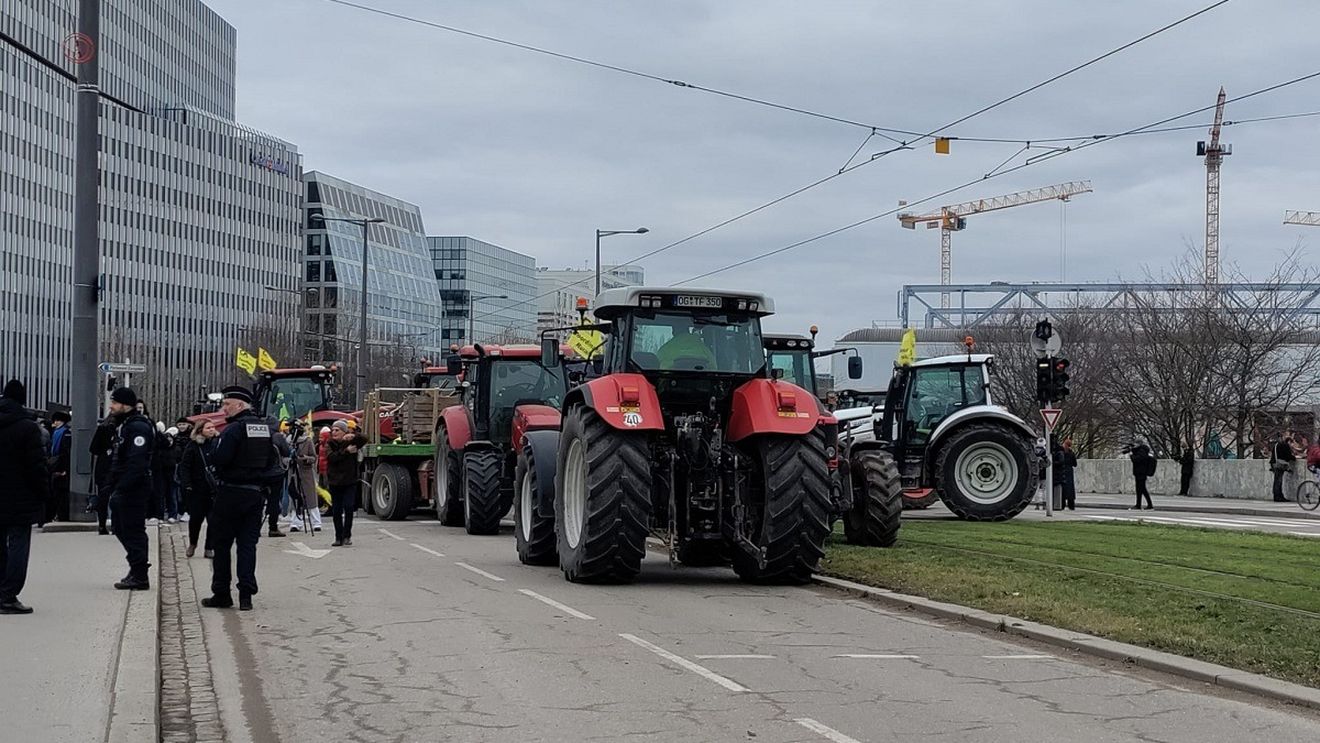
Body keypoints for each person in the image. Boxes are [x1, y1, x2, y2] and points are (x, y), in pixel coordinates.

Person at [204, 386, 281, 611]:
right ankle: (246, 595)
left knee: (222, 545)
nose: (223, 408)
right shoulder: (263, 429)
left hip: (230, 492)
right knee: (248, 546)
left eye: (227, 404)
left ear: (240, 405)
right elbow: (270, 461)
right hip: (255, 494)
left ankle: (222, 593)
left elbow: (221, 459)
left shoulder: (233, 430)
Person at [0, 380, 49, 614]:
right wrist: (43, 494)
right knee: (18, 543)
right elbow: (36, 467)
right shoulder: (28, 428)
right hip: (20, 497)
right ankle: (8, 595)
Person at [106, 388, 155, 590]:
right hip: (125, 484)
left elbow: (137, 463)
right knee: (119, 526)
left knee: (132, 529)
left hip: (133, 486)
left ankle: (140, 573)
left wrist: (122, 488)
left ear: (126, 405)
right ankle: (137, 566)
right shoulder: (125, 425)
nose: (111, 406)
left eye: (115, 403)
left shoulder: (138, 427)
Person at [178, 420, 220, 558]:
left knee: (213, 520)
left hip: (214, 489)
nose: (212, 430)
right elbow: (185, 467)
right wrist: (187, 484)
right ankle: (193, 543)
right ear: (200, 430)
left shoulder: (217, 443)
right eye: (208, 428)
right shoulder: (193, 446)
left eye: (213, 427)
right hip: (197, 488)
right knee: (196, 519)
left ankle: (209, 547)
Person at [325, 420, 365, 547]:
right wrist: (346, 451)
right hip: (335, 482)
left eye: (337, 430)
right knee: (336, 510)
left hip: (349, 481)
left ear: (344, 432)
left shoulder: (351, 442)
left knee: (348, 507)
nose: (334, 432)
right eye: (333, 430)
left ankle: (347, 535)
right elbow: (332, 457)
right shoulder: (329, 444)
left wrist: (353, 436)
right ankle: (338, 537)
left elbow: (365, 439)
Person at [288, 419, 322, 534]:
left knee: (310, 497)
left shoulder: (307, 441)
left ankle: (316, 522)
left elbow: (314, 457)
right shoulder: (288, 441)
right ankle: (296, 522)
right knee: (295, 498)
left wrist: (306, 458)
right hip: (292, 473)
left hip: (305, 472)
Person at [88, 417, 117, 535]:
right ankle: (115, 525)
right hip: (116, 467)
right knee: (116, 497)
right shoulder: (123, 429)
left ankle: (102, 525)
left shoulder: (102, 429)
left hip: (103, 466)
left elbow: (93, 449)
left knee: (103, 498)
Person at [265, 421, 292, 538]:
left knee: (259, 500)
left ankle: (254, 527)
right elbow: (287, 452)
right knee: (274, 500)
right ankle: (273, 527)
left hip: (259, 472)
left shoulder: (259, 435)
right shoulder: (278, 436)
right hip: (275, 472)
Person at [47, 410, 72, 522]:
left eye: (57, 420)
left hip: (59, 466)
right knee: (59, 492)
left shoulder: (62, 433)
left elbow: (65, 452)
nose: (55, 422)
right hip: (59, 465)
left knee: (60, 492)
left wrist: (63, 469)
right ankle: (60, 514)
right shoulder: (62, 432)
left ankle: (61, 515)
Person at [1053, 437, 1078, 510]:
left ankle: (1062, 504)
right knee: (1070, 490)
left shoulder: (1061, 452)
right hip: (1069, 472)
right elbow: (1075, 464)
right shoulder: (1071, 453)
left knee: (1063, 489)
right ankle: (1071, 505)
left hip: (1062, 471)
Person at [1128, 443, 1154, 510]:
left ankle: (1149, 505)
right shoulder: (1142, 451)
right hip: (1139, 472)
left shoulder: (1142, 452)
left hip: (1141, 472)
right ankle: (1139, 504)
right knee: (1140, 489)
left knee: (1142, 489)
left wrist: (1131, 455)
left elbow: (1136, 460)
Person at [1272, 434, 1296, 503]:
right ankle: (1279, 496)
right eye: (1291, 443)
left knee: (1276, 480)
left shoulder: (1277, 445)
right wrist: (1294, 458)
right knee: (1279, 481)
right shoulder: (1285, 445)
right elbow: (1288, 456)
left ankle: (1277, 496)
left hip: (1274, 463)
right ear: (1289, 441)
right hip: (1280, 464)